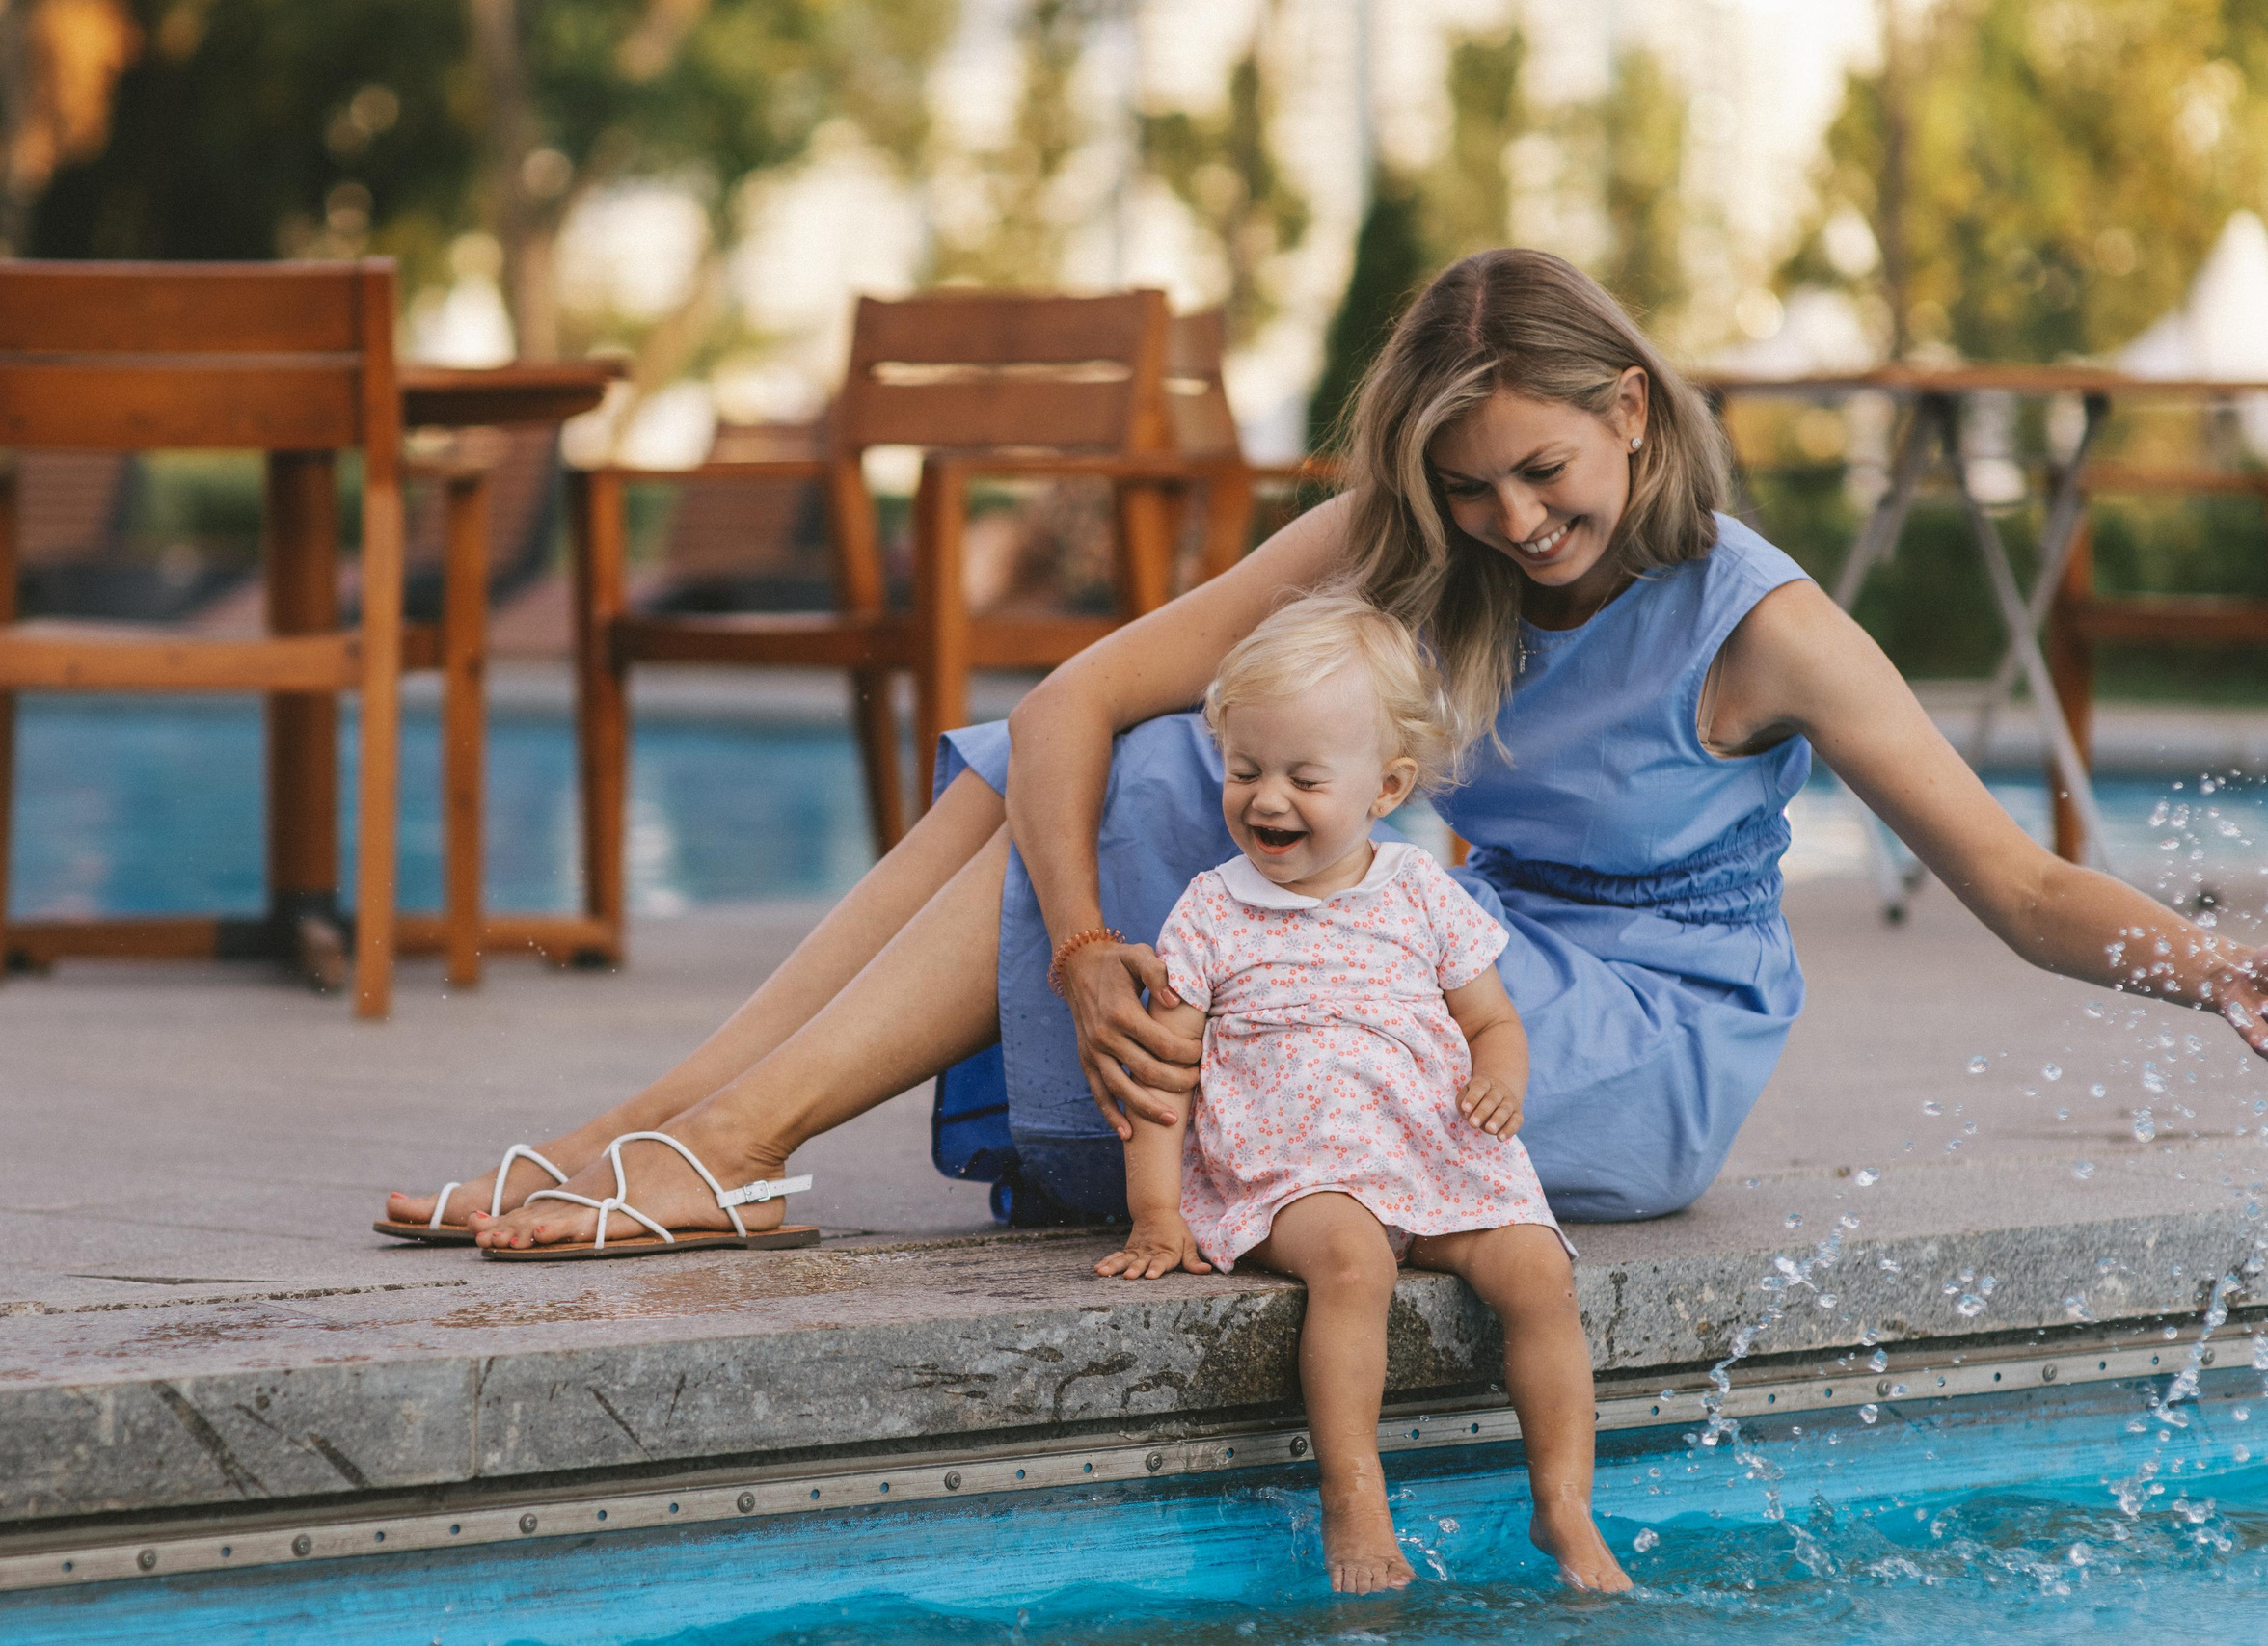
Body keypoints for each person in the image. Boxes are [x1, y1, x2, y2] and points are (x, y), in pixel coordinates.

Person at [382, 245, 2268, 1259]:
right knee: (1054, 761)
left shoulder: (1756, 617)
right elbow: (1058, 701)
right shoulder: (1415, 533)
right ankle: (677, 1119)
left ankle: (730, 1146)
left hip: (1594, 1045)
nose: (1515, 522)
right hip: (1442, 942)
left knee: (1164, 782)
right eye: (1469, 486)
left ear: (1629, 408)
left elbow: (2015, 882)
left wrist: (2223, 972)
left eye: (1543, 469)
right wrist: (1072, 935)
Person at [1094, 593, 1627, 1594]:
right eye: (1244, 770)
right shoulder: (1210, 910)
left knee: (1536, 1269)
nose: (1266, 799)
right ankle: (1353, 1489)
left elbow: (1490, 1020)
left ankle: (1562, 1503)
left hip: (1432, 1152)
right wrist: (1156, 1212)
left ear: (1385, 786)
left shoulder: (1421, 888)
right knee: (1348, 1261)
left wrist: (1501, 1077)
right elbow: (1164, 1074)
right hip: (1296, 1167)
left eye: (1304, 777)